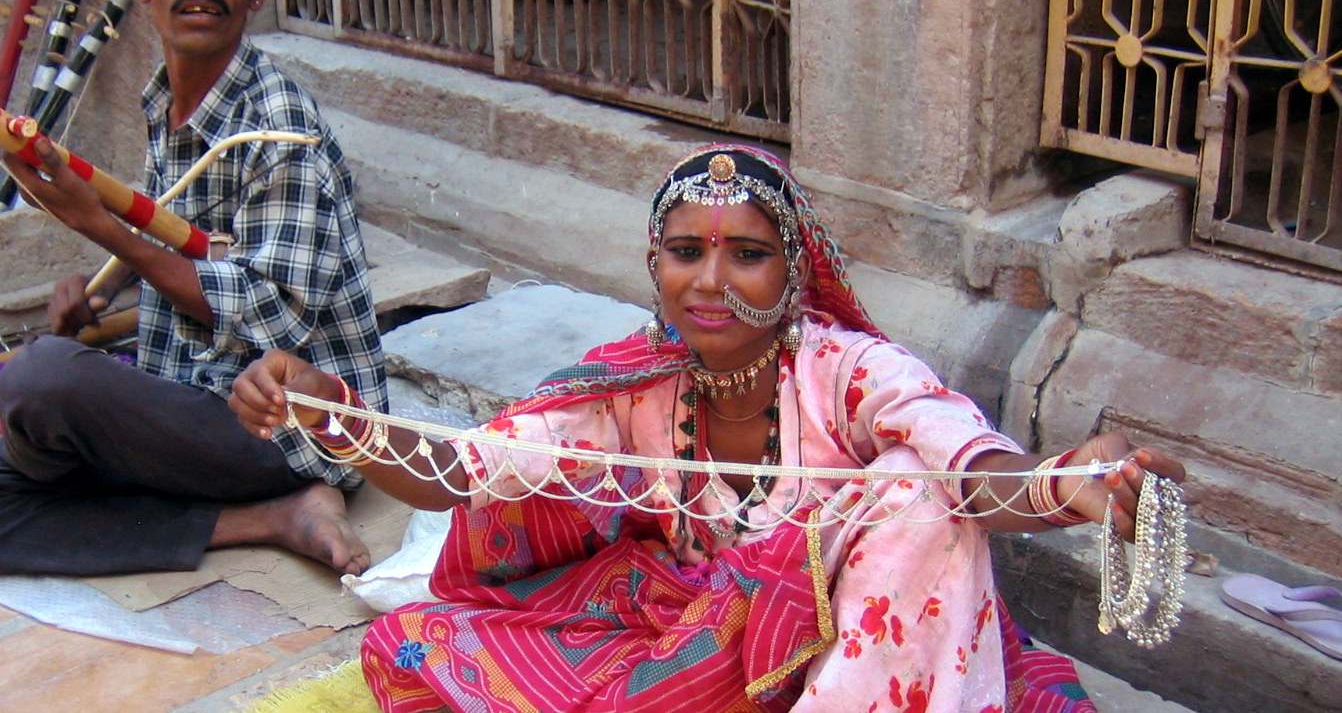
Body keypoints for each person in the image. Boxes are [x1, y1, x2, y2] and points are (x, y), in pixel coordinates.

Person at [230, 144, 1187, 712]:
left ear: (796, 272)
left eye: (750, 255)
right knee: (415, 644)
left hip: (846, 662)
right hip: (698, 647)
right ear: (655, 265)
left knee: (914, 487)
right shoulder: (630, 387)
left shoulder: (848, 371)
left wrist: (1074, 480)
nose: (713, 281)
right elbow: (466, 472)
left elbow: (973, 467)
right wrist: (329, 407)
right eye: (687, 252)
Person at [0, 0, 387, 578]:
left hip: (287, 429)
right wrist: (98, 302)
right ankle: (271, 518)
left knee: (40, 381)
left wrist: (100, 227)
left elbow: (270, 322)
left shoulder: (282, 127)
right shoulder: (166, 104)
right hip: (193, 411)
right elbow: (182, 257)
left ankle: (277, 488)